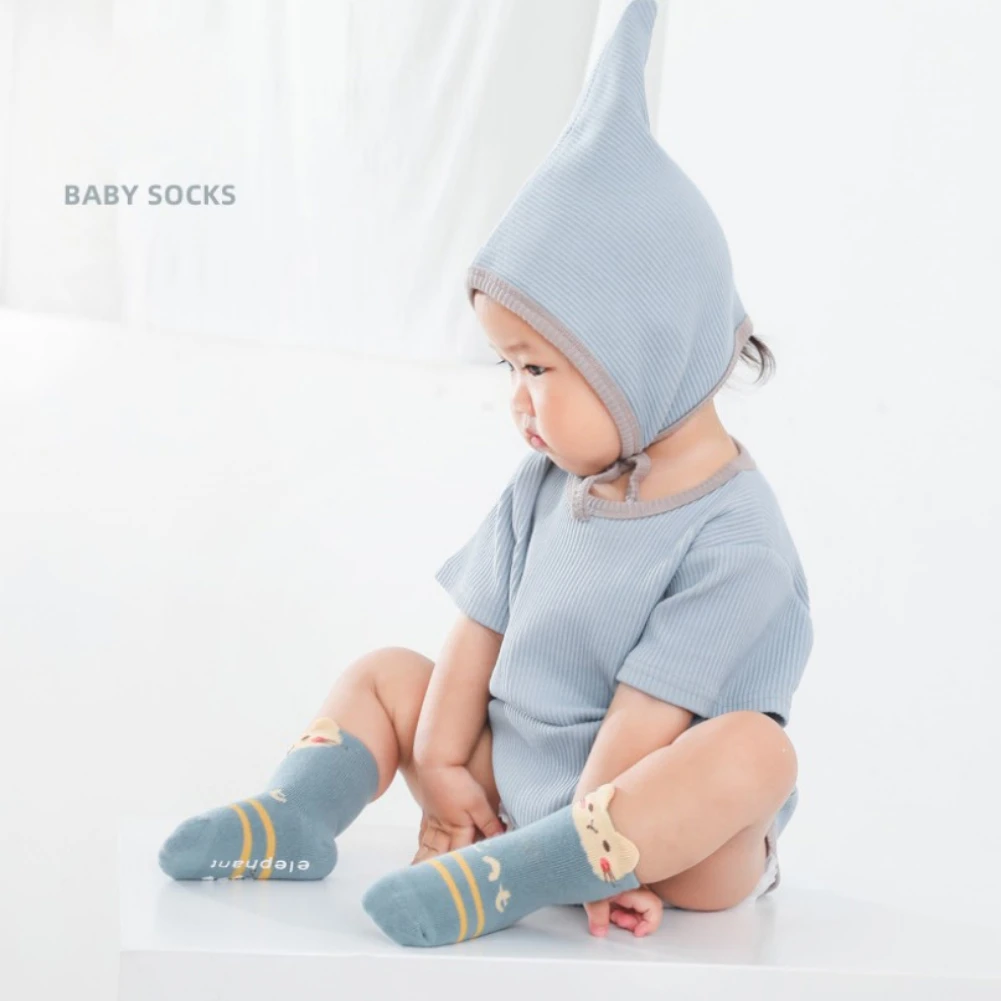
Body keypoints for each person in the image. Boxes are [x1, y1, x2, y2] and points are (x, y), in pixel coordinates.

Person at [157, 0, 813, 949]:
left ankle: (528, 870)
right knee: (387, 674)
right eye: (509, 367)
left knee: (754, 751)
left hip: (656, 836)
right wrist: (441, 764)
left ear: (642, 353)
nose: (517, 400)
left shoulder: (735, 538)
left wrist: (588, 846)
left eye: (535, 368)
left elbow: (645, 720)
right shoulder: (546, 485)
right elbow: (478, 630)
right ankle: (294, 815)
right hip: (513, 785)